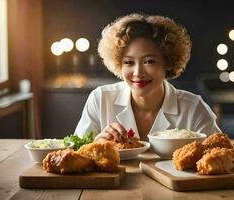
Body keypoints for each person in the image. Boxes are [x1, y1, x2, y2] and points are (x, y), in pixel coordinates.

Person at [74, 13, 221, 142]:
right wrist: (96, 144)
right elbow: (76, 155)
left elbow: (221, 153)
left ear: (168, 62)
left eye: (149, 61)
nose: (138, 72)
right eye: (129, 62)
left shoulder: (193, 108)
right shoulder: (100, 99)